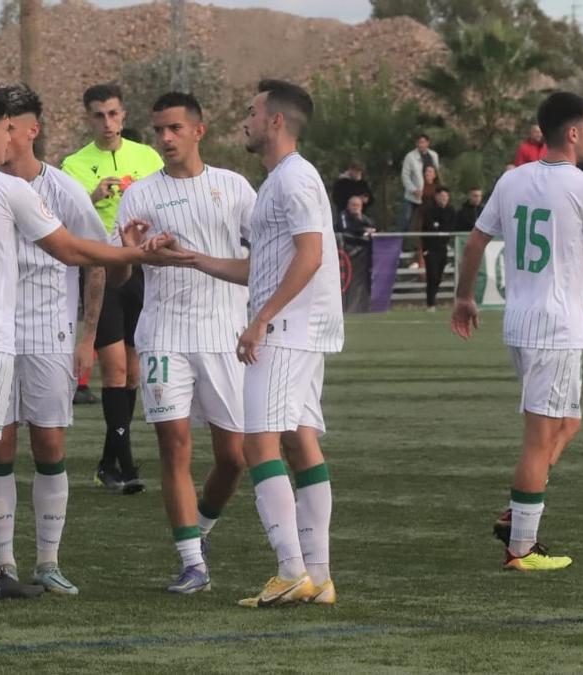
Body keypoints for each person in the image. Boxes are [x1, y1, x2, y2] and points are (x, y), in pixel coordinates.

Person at [0, 90, 187, 607]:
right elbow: (69, 249)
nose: (9, 135)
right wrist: (134, 253)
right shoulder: (5, 188)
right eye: (5, 127)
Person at [451, 92, 583, 572]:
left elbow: (477, 240)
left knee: (569, 423)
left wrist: (464, 296)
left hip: (522, 322)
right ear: (574, 132)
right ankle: (521, 548)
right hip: (556, 327)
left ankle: (517, 511)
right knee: (539, 440)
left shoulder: (513, 179)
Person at [174, 80, 342, 607]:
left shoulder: (294, 180)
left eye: (251, 112)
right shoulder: (277, 181)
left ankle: (291, 570)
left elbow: (310, 256)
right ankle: (317, 576)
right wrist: (194, 258)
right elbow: (262, 267)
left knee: (258, 445)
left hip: (287, 329)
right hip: (297, 327)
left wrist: (262, 320)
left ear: (275, 121)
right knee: (298, 441)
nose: (244, 120)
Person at [106, 91, 254, 594]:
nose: (165, 138)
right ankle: (192, 563)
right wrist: (129, 251)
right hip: (164, 334)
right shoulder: (140, 194)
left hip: (223, 335)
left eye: (174, 128)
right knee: (174, 447)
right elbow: (120, 274)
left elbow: (264, 258)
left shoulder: (234, 187)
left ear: (199, 131)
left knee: (235, 457)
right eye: (158, 131)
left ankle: (203, 530)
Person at [0, 83, 108, 595]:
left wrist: (87, 336)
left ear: (32, 131)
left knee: (49, 444)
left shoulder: (64, 189)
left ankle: (48, 561)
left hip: (50, 333)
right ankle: (4, 564)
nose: (3, 135)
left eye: (13, 126)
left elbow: (95, 257)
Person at [60, 83, 165, 493]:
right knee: (115, 370)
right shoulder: (74, 164)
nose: (108, 122)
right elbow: (62, 220)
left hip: (142, 270)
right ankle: (124, 463)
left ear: (124, 115)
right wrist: (91, 195)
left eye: (114, 114)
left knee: (135, 371)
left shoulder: (148, 157)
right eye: (99, 115)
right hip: (101, 271)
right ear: (88, 118)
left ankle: (108, 461)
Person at [420, 186, 458, 311]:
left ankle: (433, 301)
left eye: (446, 196)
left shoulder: (451, 211)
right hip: (431, 248)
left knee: (439, 276)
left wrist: (440, 227)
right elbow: (430, 227)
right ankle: (430, 303)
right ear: (436, 197)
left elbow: (451, 227)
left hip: (443, 247)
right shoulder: (429, 211)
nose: (444, 199)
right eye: (442, 196)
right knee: (432, 275)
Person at [397, 133, 440, 232]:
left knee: (429, 220)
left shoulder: (433, 155)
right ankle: (397, 245)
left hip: (430, 193)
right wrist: (413, 190)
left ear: (427, 143)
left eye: (423, 142)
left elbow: (436, 172)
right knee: (406, 220)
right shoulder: (410, 156)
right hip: (414, 195)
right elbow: (405, 176)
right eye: (419, 142)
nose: (420, 145)